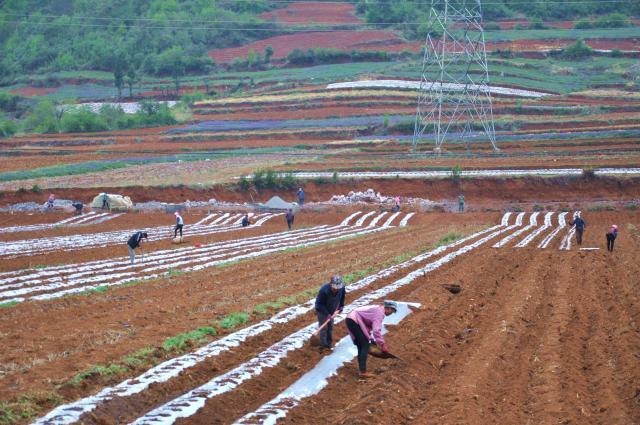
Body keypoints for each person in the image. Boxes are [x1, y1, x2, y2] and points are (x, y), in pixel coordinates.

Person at [345, 300, 397, 378]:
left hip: (352, 319)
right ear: (388, 308)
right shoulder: (380, 313)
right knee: (364, 344)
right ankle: (363, 372)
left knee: (361, 345)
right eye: (392, 311)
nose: (391, 313)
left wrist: (371, 339)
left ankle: (362, 371)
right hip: (354, 319)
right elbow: (376, 331)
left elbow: (366, 327)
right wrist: (382, 344)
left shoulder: (378, 310)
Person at [314, 275, 346, 350]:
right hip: (322, 310)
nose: (336, 290)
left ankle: (329, 343)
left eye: (338, 288)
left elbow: (342, 297)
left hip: (332, 309)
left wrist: (341, 306)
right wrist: (326, 314)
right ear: (331, 285)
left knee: (330, 326)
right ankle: (323, 345)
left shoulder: (341, 288)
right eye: (334, 288)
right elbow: (319, 304)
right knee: (324, 328)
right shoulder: (323, 290)